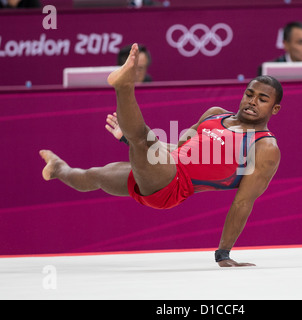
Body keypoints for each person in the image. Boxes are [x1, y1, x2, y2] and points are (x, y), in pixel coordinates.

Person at [40, 43, 283, 267]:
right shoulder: (215, 114)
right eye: (249, 94)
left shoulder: (265, 147)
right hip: (162, 167)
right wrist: (127, 139)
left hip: (174, 186)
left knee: (142, 138)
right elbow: (178, 149)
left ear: (275, 108)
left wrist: (224, 253)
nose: (252, 102)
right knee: (94, 175)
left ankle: (124, 86)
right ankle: (58, 168)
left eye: (262, 99)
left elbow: (243, 202)